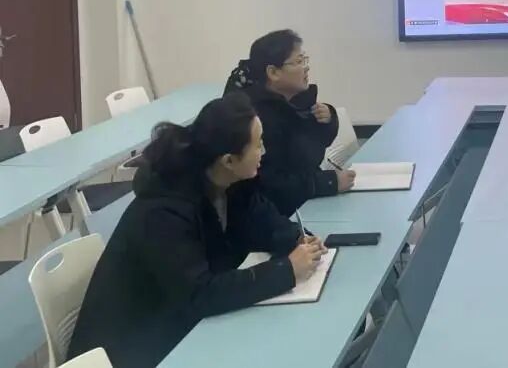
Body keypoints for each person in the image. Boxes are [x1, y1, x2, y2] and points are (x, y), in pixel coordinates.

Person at [67, 95, 326, 368]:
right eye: (258, 144)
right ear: (229, 160)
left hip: (172, 326)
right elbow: (200, 294)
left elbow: (263, 220)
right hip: (130, 348)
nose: (264, 150)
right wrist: (286, 271)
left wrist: (297, 238)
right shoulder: (163, 212)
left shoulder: (233, 181)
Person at [224, 29, 355, 214]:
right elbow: (271, 184)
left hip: (302, 201)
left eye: (305, 59)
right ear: (273, 72)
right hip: (280, 213)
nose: (306, 67)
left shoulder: (296, 101)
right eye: (299, 62)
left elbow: (312, 148)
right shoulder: (257, 120)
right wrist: (328, 182)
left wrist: (328, 120)